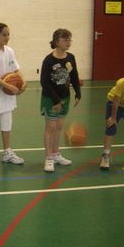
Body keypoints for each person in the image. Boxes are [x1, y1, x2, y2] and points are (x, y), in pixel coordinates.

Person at [0, 23, 27, 168]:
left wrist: (23, 82)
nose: (7, 37)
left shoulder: (10, 51)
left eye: (8, 34)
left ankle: (7, 152)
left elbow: (16, 69)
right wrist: (10, 87)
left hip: (7, 96)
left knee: (7, 124)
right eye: (4, 35)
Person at [40, 28, 81, 172]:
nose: (68, 42)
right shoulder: (49, 60)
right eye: (65, 40)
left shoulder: (71, 57)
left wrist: (78, 93)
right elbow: (44, 83)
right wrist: (56, 100)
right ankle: (48, 158)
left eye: (70, 39)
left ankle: (56, 153)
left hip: (65, 98)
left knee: (58, 126)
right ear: (57, 42)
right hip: (51, 98)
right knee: (50, 127)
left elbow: (74, 76)